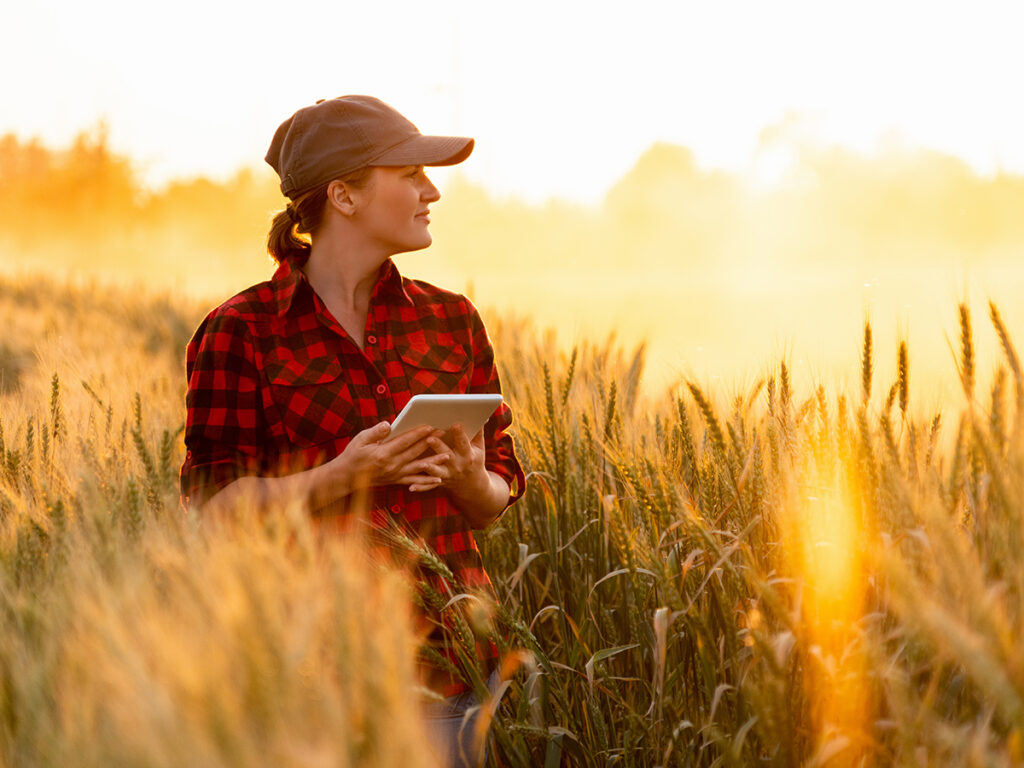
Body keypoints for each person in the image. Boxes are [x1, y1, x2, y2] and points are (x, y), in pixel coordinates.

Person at [179, 95, 526, 767]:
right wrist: (343, 476)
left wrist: (468, 481)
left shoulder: (453, 322)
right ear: (343, 194)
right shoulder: (241, 331)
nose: (433, 190)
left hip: (448, 669)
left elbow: (497, 494)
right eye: (412, 173)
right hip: (310, 678)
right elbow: (212, 509)